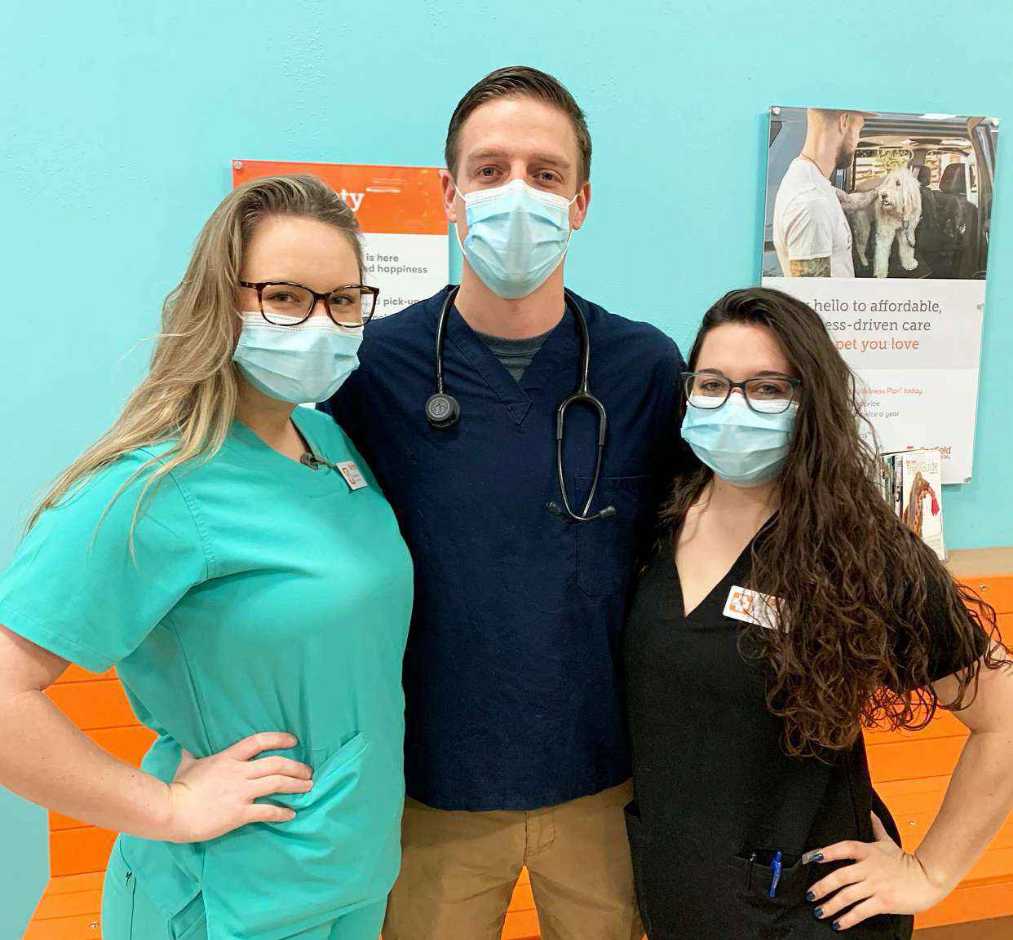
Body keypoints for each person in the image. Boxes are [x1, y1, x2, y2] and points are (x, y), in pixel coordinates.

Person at [320, 66, 684, 940]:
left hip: (603, 777)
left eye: (545, 173)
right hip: (431, 785)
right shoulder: (366, 369)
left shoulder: (644, 370)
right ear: (449, 194)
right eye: (489, 170)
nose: (516, 193)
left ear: (581, 202)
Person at [0, 175, 413, 940]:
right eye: (286, 298)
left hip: (348, 873)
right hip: (228, 896)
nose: (321, 325)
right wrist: (166, 807)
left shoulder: (326, 444)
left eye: (344, 301)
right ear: (223, 304)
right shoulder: (153, 484)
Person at [622, 286, 1013, 938]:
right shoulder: (659, 521)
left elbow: (1000, 718)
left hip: (808, 911)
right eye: (713, 384)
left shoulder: (859, 552)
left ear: (811, 402)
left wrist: (928, 874)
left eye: (768, 389)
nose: (733, 407)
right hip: (680, 900)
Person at [773, 108, 876, 278]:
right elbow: (812, 298)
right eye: (859, 129)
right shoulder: (812, 201)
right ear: (844, 122)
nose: (858, 140)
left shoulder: (813, 183)